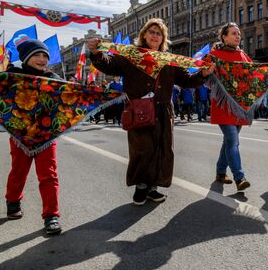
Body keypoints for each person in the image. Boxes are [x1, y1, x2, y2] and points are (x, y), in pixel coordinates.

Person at [87, 18, 213, 205]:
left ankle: (153, 187)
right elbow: (109, 64)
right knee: (143, 149)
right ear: (144, 35)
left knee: (161, 149)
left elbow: (186, 81)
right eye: (152, 32)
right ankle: (140, 187)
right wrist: (96, 52)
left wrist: (203, 74)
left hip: (163, 110)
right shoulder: (132, 55)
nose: (155, 35)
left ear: (163, 38)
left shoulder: (168, 60)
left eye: (159, 33)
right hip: (140, 109)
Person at [4, 39, 63, 235]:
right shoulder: (12, 76)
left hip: (46, 135)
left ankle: (51, 216)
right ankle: (13, 202)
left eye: (45, 56)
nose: (41, 59)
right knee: (18, 171)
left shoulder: (54, 78)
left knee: (49, 174)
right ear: (26, 58)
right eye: (37, 55)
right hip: (20, 135)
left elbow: (68, 99)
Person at [210, 22, 251, 191]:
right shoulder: (214, 55)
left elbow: (255, 74)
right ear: (224, 37)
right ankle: (239, 177)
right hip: (223, 106)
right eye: (233, 33)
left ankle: (220, 172)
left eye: (239, 33)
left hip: (240, 106)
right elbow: (203, 74)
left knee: (229, 141)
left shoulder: (244, 55)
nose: (237, 36)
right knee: (233, 140)